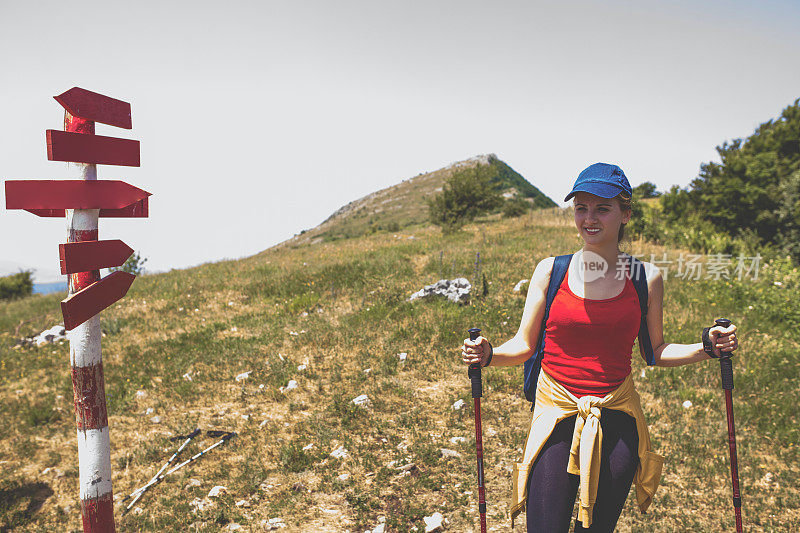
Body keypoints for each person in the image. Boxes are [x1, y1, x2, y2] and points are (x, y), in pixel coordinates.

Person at [460, 163, 739, 532]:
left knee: (598, 528)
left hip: (617, 409)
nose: (589, 218)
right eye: (581, 207)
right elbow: (525, 345)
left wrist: (708, 348)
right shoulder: (550, 271)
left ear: (625, 214)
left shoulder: (645, 278)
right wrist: (490, 354)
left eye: (602, 208)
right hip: (557, 410)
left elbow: (655, 351)